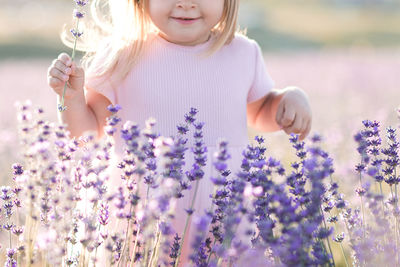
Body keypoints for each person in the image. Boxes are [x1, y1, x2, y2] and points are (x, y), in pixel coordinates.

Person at [47, 0, 312, 265]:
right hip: (144, 217)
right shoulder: (121, 56)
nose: (186, 4)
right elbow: (87, 132)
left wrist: (287, 100)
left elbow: (259, 112)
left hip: (227, 212)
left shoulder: (243, 53)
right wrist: (70, 99)